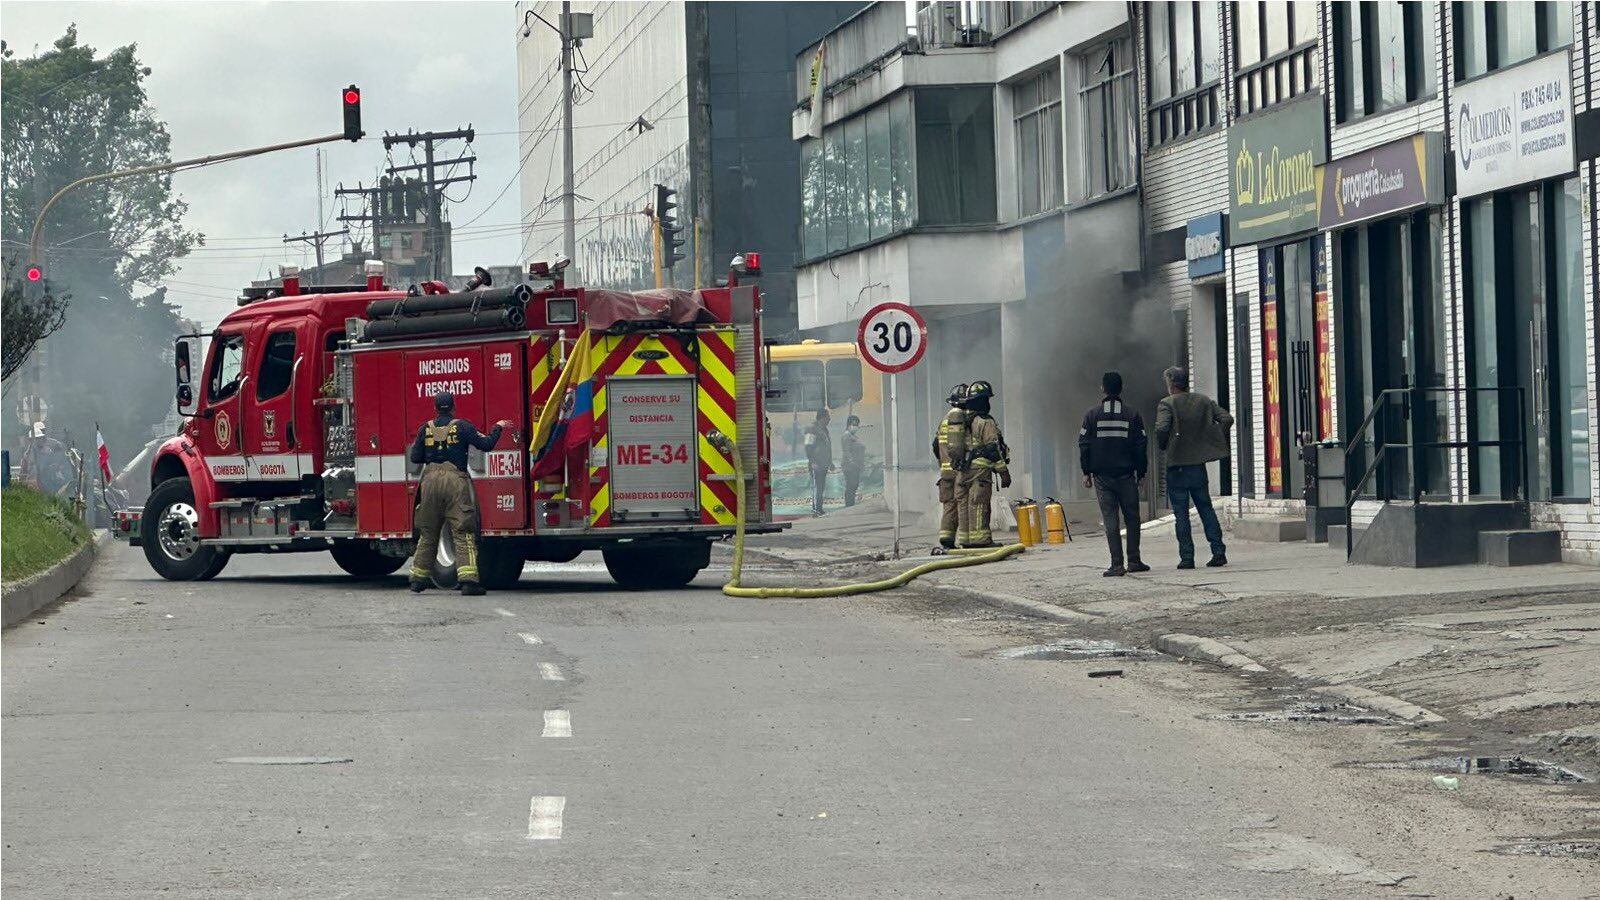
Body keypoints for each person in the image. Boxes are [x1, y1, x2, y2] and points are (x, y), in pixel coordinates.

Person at [408, 391, 512, 595]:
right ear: (453, 407)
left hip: (429, 481)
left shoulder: (425, 428)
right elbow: (486, 445)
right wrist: (498, 427)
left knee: (428, 532)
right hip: (455, 481)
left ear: (435, 408)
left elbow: (415, 457)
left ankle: (418, 580)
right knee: (462, 531)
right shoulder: (463, 426)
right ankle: (469, 582)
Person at [1155, 365, 1233, 569]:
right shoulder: (1203, 401)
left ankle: (1187, 557)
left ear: (1171, 383)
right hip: (1198, 465)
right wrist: (1211, 438)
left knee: (1181, 513)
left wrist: (1165, 445)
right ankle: (1218, 551)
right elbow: (1226, 419)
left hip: (1177, 465)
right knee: (1206, 508)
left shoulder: (1167, 403)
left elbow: (1162, 428)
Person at [1078, 371, 1149, 577]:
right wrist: (1141, 473)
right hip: (1127, 475)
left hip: (1102, 477)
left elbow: (1084, 444)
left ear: (1102, 388)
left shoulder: (1091, 415)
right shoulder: (1132, 414)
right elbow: (1140, 446)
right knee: (1132, 518)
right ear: (1121, 388)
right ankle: (1134, 561)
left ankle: (1117, 564)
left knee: (1110, 519)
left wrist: (1086, 472)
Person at [956, 381, 1010, 548]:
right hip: (980, 471)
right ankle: (981, 540)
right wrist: (1003, 472)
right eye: (986, 399)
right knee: (979, 504)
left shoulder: (962, 421)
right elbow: (992, 449)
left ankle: (965, 540)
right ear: (982, 401)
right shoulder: (985, 421)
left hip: (963, 470)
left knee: (965, 506)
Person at [932, 384, 970, 550]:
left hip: (945, 471)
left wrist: (943, 463)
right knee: (964, 503)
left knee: (949, 505)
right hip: (960, 469)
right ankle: (966, 539)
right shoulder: (962, 419)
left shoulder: (944, 421)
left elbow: (935, 445)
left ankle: (946, 538)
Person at [803, 408, 833, 517]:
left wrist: (830, 462)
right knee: (816, 487)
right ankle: (816, 510)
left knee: (821, 487)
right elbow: (808, 446)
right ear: (822, 417)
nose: (829, 419)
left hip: (824, 463)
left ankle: (819, 508)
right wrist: (812, 461)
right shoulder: (812, 429)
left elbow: (827, 447)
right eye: (828, 417)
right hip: (815, 463)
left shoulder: (825, 430)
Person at [841, 414, 867, 508]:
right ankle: (849, 506)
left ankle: (851, 505)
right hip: (850, 466)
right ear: (848, 424)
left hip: (856, 466)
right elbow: (846, 451)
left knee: (854, 486)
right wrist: (852, 462)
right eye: (853, 424)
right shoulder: (846, 435)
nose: (855, 426)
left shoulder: (853, 436)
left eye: (857, 424)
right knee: (851, 486)